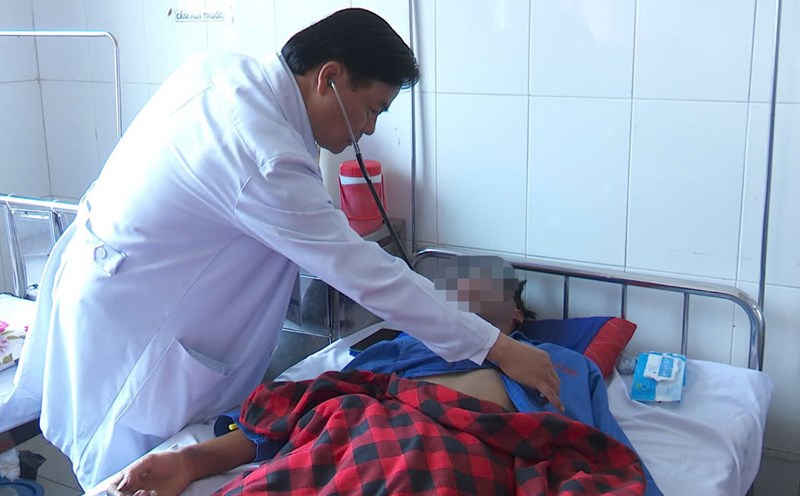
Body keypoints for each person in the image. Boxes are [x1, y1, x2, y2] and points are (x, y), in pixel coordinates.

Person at [3, 8, 562, 489]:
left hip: (122, 301)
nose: (367, 129)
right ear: (330, 78)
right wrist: (499, 348)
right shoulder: (259, 150)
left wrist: (488, 340)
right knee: (127, 474)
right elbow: (364, 272)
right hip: (138, 344)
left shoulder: (225, 75)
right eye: (371, 109)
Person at [106, 255, 660, 496]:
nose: (463, 296)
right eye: (449, 289)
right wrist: (189, 460)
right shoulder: (395, 352)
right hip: (356, 439)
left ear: (516, 314)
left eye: (485, 289)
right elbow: (293, 420)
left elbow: (596, 450)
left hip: (461, 458)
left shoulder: (562, 364)